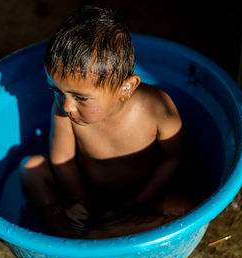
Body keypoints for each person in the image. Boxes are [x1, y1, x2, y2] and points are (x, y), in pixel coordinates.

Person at [19, 6, 194, 239]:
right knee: (30, 168)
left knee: (183, 208)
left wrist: (142, 201)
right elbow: (63, 161)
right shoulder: (63, 112)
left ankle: (100, 234)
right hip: (90, 195)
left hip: (146, 196)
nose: (67, 106)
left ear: (126, 88)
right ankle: (66, 231)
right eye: (57, 91)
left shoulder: (157, 108)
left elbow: (174, 158)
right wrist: (79, 202)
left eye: (80, 97)